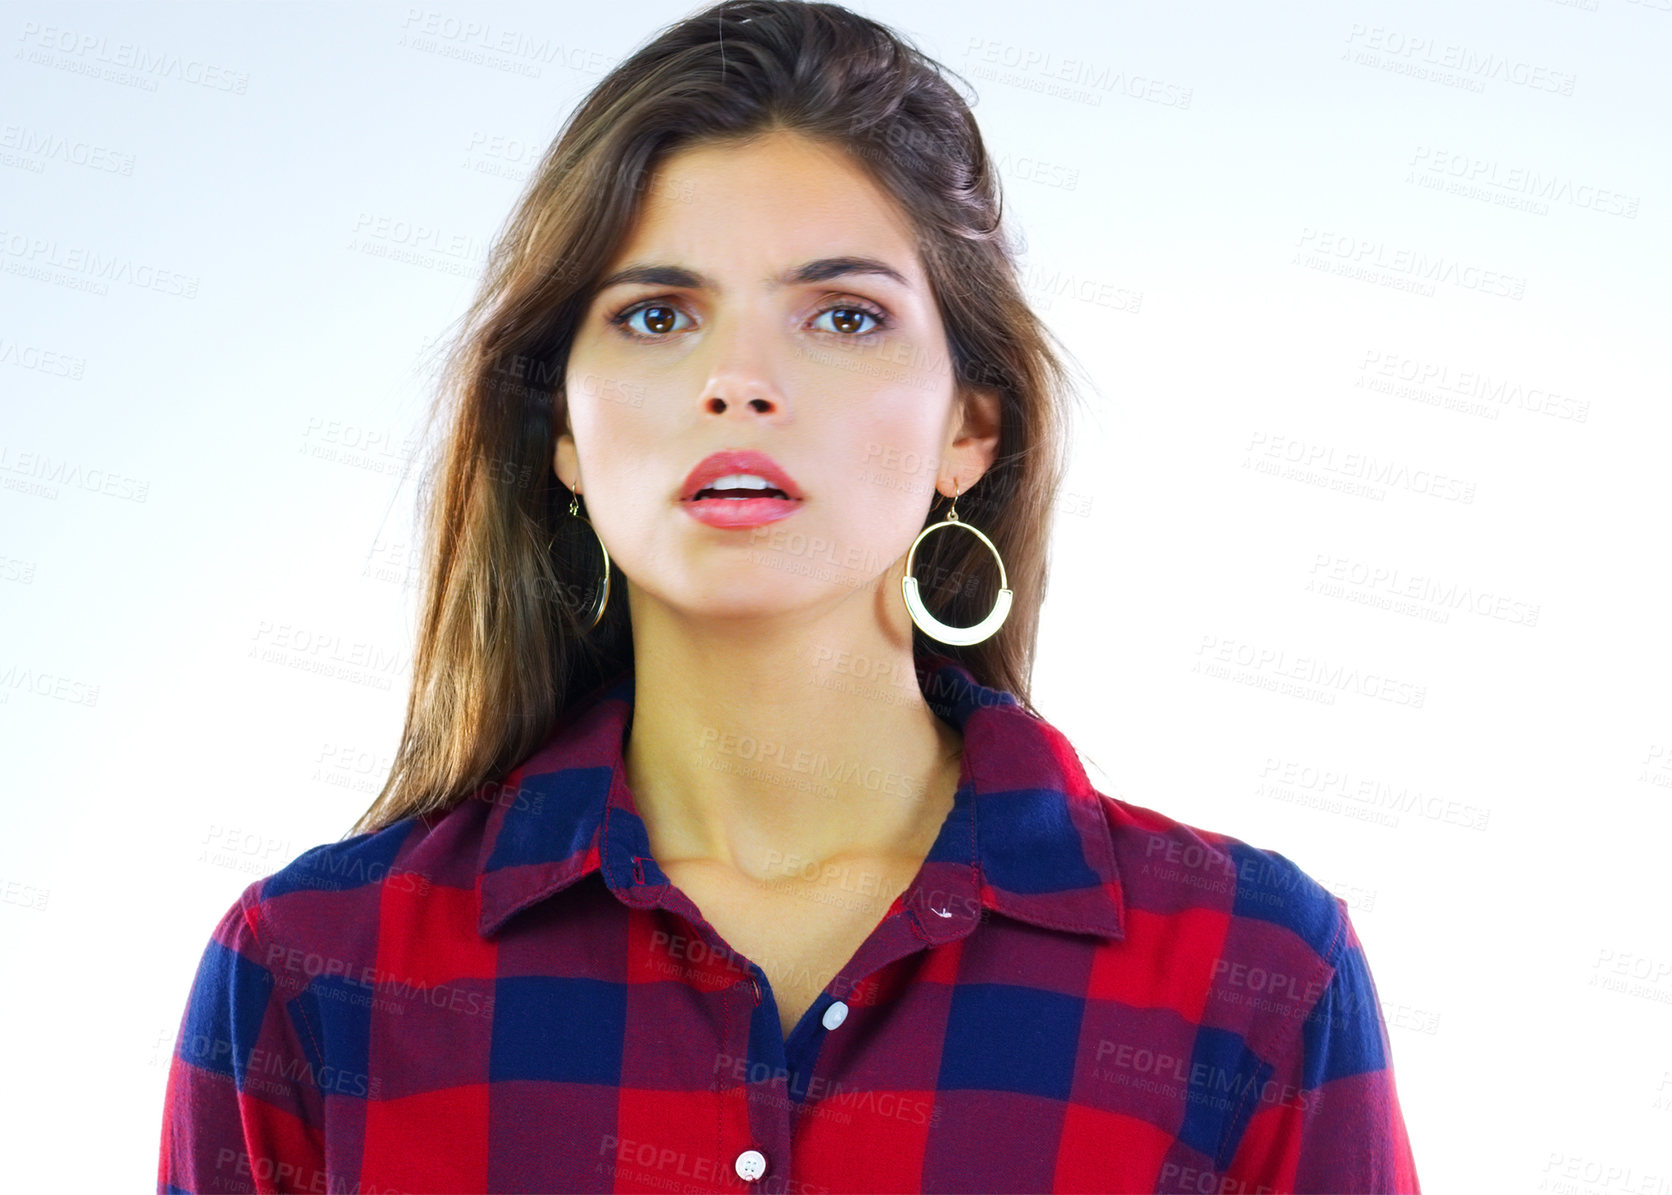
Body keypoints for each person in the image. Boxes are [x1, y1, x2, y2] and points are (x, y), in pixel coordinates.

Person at [158, 2, 1421, 1191]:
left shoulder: (1253, 976)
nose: (738, 382)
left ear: (968, 428)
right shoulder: (311, 975)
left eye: (842, 317)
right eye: (657, 315)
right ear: (561, 431)